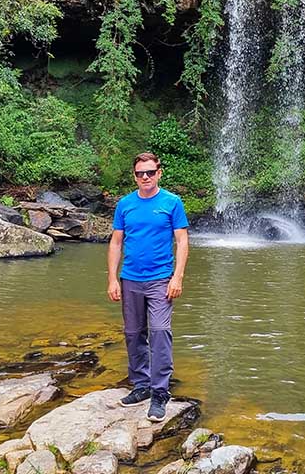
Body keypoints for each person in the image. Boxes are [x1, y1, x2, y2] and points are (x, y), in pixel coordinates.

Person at [107, 152, 189, 422]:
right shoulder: (125, 204)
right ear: (134, 175)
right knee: (133, 333)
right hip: (130, 278)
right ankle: (141, 385)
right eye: (140, 173)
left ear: (159, 173)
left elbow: (182, 241)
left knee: (160, 332)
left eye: (150, 172)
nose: (145, 177)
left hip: (160, 279)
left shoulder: (171, 202)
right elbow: (116, 242)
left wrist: (177, 277)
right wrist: (112, 278)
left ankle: (160, 393)